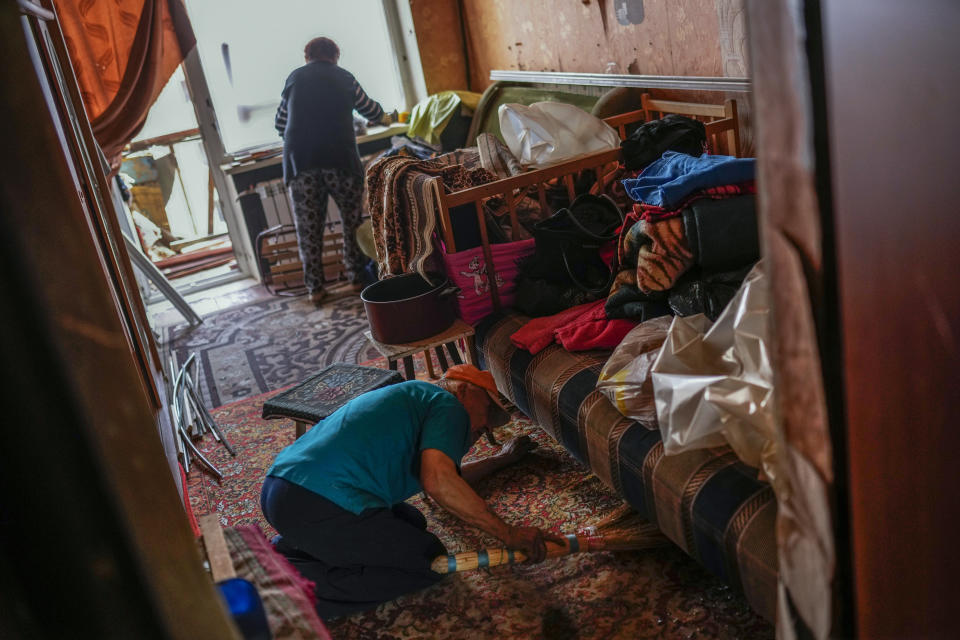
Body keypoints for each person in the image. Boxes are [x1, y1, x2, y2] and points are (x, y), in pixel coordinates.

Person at [260, 364, 562, 619]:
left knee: (410, 521)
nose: (483, 429)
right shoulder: (449, 406)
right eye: (486, 415)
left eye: (487, 431)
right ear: (464, 390)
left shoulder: (416, 398)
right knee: (428, 562)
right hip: (318, 503)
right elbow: (439, 481)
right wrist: (508, 533)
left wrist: (502, 459)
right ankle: (286, 591)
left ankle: (288, 550)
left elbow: (448, 480)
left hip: (283, 490)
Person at [275, 37, 387, 305]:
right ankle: (356, 279)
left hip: (301, 162)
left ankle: (315, 289)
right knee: (351, 223)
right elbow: (372, 111)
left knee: (309, 230)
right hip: (340, 160)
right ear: (335, 55)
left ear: (307, 56)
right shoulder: (344, 77)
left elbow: (280, 123)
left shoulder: (294, 79)